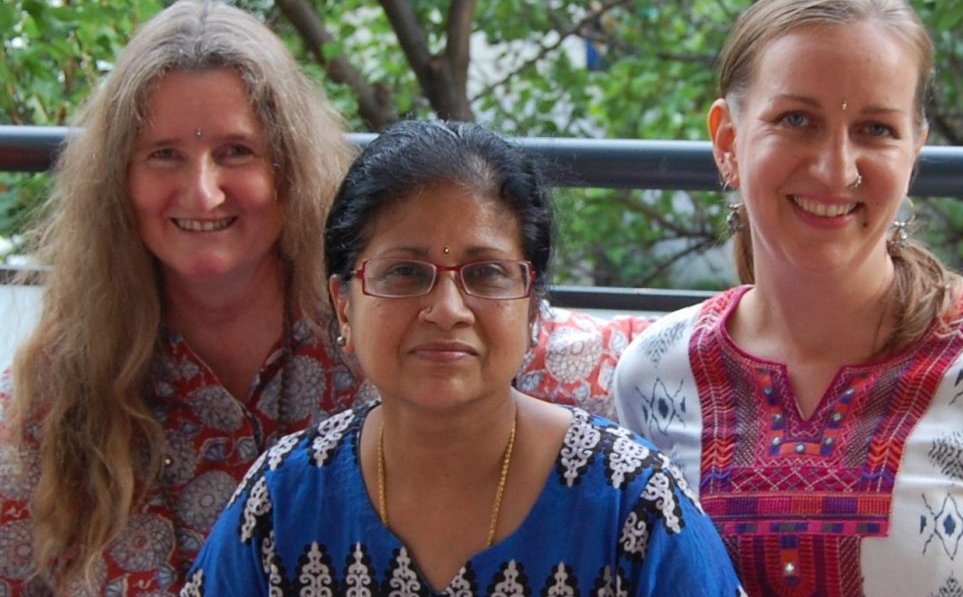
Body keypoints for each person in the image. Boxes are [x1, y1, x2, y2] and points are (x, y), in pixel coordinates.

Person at [0, 0, 649, 595]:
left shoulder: (395, 318)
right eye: (164, 154)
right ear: (119, 182)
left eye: (236, 152)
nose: (203, 191)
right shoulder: (51, 403)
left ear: (290, 166)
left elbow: (595, 353)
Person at [183, 119, 742, 596]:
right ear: (344, 307)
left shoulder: (629, 503)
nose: (447, 309)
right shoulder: (285, 501)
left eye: (485, 273)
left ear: (531, 309)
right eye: (404, 272)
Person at [614, 0, 963, 596]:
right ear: (728, 141)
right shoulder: (653, 376)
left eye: (876, 129)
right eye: (797, 119)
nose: (836, 167)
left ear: (914, 151)